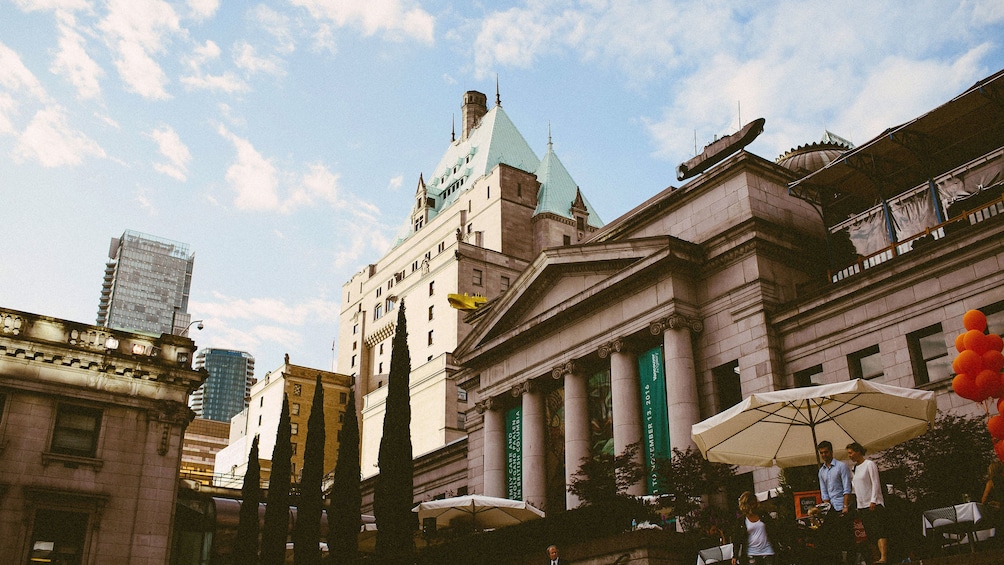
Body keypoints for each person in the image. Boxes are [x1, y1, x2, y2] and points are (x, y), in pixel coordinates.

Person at [847, 442, 888, 564]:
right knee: (870, 533)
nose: (850, 456)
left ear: (858, 451)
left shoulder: (869, 464)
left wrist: (873, 500)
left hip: (873, 503)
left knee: (879, 530)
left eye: (851, 453)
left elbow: (875, 483)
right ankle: (875, 557)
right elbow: (855, 488)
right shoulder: (854, 468)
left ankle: (883, 556)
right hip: (862, 505)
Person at [817, 440, 853, 562]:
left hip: (842, 506)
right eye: (821, 453)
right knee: (833, 538)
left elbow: (847, 488)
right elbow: (824, 492)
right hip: (830, 508)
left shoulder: (841, 466)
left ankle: (850, 560)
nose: (824, 455)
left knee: (847, 537)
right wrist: (826, 507)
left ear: (831, 452)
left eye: (826, 452)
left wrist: (845, 506)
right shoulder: (821, 471)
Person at [732, 491, 779, 565]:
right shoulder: (741, 521)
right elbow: (737, 539)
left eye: (754, 503)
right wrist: (735, 555)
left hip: (767, 551)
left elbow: (774, 531)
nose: (753, 506)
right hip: (751, 553)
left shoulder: (763, 515)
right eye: (751, 504)